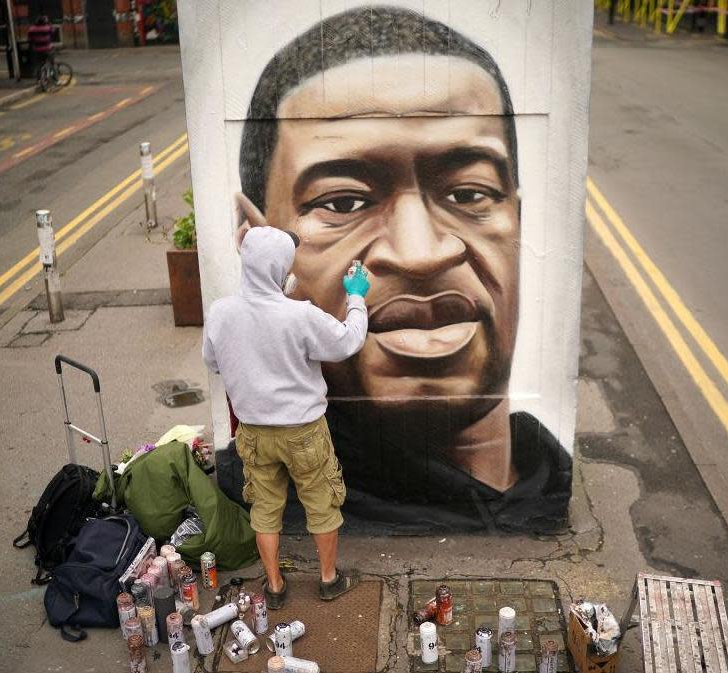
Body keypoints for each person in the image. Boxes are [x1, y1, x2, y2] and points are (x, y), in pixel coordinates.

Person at [218, 5, 572, 533]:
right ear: (253, 237)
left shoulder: (553, 484)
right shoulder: (263, 495)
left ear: (518, 218)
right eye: (341, 203)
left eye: (470, 193)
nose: (420, 254)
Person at [202, 225, 371, 608]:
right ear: (280, 270)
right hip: (304, 431)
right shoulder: (300, 316)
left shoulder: (221, 312)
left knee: (264, 508)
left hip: (254, 433)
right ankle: (329, 580)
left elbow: (213, 362)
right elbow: (347, 341)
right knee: (321, 503)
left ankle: (275, 587)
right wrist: (356, 297)